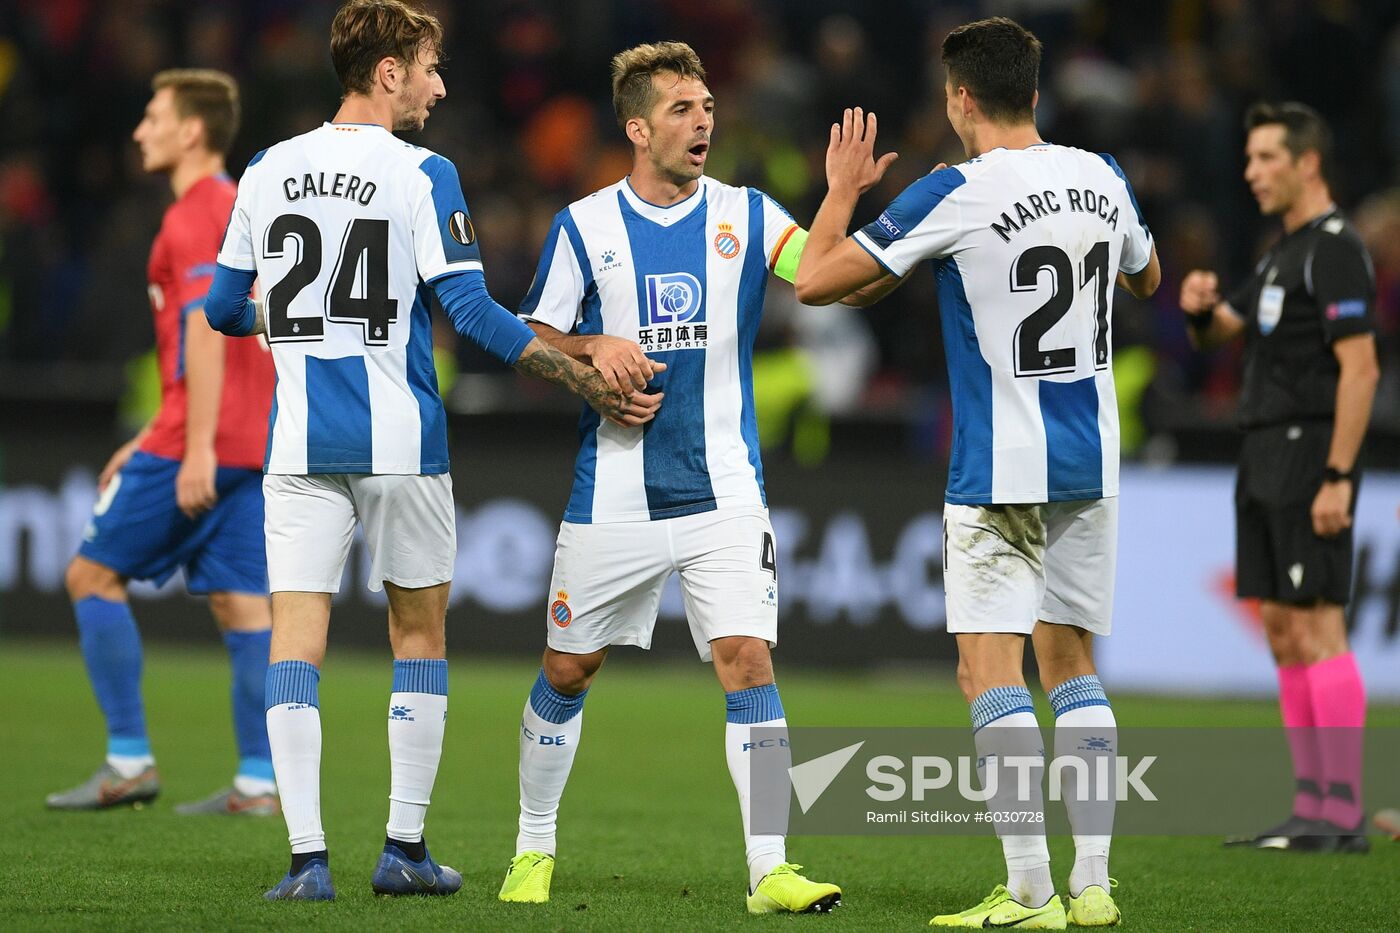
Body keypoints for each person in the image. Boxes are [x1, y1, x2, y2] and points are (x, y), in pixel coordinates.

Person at [202, 0, 642, 903]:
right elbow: (472, 312)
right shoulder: (422, 172)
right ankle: (403, 848)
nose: (441, 87)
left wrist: (288, 321)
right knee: (419, 634)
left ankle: (305, 860)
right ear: (389, 69)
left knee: (296, 639)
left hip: (297, 448)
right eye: (430, 67)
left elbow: (218, 310)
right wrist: (571, 368)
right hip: (400, 444)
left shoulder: (267, 167)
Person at [796, 17, 1159, 930]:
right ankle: (1097, 885)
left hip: (1000, 468)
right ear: (1034, 91)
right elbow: (1147, 278)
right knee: (1073, 664)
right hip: (1090, 460)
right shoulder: (1100, 176)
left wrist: (840, 192)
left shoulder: (952, 189)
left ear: (959, 96)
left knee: (987, 671)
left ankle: (1031, 887)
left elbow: (814, 280)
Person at [494, 41, 843, 916]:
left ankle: (771, 868)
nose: (704, 123)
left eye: (709, 107)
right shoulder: (586, 225)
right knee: (568, 670)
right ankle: (533, 846)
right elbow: (531, 337)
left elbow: (828, 276)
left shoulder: (750, 214)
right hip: (614, 490)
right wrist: (590, 352)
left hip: (725, 487)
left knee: (747, 660)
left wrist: (840, 199)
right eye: (684, 110)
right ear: (638, 127)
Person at [48, 70, 279, 819]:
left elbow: (206, 335)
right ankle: (257, 780)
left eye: (153, 117)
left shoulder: (190, 218)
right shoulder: (249, 203)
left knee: (90, 576)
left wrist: (193, 446)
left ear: (190, 131)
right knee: (245, 610)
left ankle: (126, 760)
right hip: (256, 439)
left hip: (202, 442)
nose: (140, 130)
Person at [1180, 102, 1379, 853]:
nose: (1251, 171)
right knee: (1281, 624)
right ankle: (1311, 806)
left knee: (1318, 622)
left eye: (1266, 157)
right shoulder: (1282, 252)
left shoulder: (1334, 249)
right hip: (1263, 449)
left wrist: (1338, 475)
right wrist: (1201, 309)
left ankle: (1343, 811)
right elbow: (1225, 327)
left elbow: (1361, 369)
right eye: (1250, 157)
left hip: (1308, 450)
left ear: (1307, 163)